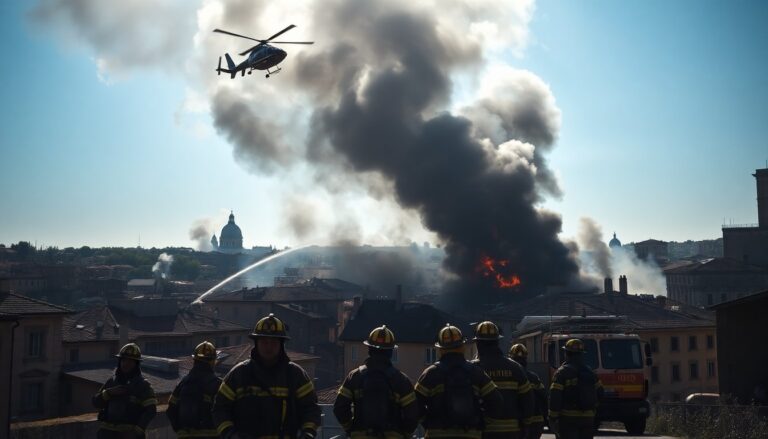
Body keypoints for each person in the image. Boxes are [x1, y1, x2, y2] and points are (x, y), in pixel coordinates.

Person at [213, 313, 320, 439]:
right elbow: (220, 409)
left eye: (274, 342)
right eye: (264, 342)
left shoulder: (296, 375)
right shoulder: (239, 374)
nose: (269, 347)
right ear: (256, 343)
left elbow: (311, 409)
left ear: (282, 345)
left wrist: (307, 432)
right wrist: (230, 434)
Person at [415, 323, 504, 439]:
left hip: (437, 434)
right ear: (463, 347)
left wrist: (428, 423)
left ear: (440, 349)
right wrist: (482, 422)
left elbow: (414, 405)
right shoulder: (476, 373)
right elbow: (497, 402)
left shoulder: (430, 374)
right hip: (471, 434)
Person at [334, 325, 420, 438]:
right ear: (390, 352)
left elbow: (340, 408)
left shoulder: (354, 376)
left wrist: (351, 428)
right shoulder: (401, 380)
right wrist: (405, 434)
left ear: (369, 349)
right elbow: (412, 415)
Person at [471, 322, 533, 439]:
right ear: (497, 342)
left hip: (482, 432)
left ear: (478, 344)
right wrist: (526, 424)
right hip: (512, 432)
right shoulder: (515, 368)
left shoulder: (472, 369)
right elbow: (528, 400)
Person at [92, 343, 157, 439]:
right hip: (106, 434)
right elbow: (95, 403)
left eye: (130, 361)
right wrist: (108, 393)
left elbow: (151, 410)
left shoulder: (143, 385)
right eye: (123, 360)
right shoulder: (111, 382)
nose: (126, 363)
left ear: (136, 364)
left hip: (128, 434)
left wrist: (137, 431)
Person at [548, 339, 603, 439]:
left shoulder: (562, 372)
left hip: (568, 419)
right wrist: (592, 410)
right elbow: (600, 393)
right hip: (587, 419)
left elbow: (555, 396)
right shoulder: (590, 372)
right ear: (582, 354)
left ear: (566, 354)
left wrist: (552, 417)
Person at [167, 341, 222, 439]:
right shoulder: (217, 384)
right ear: (213, 362)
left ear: (195, 360)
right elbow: (225, 412)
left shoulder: (183, 383)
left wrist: (180, 431)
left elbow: (171, 409)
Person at [509, 343, 546, 439]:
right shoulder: (534, 377)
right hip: (536, 422)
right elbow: (544, 397)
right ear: (526, 359)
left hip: (519, 422)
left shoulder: (510, 377)